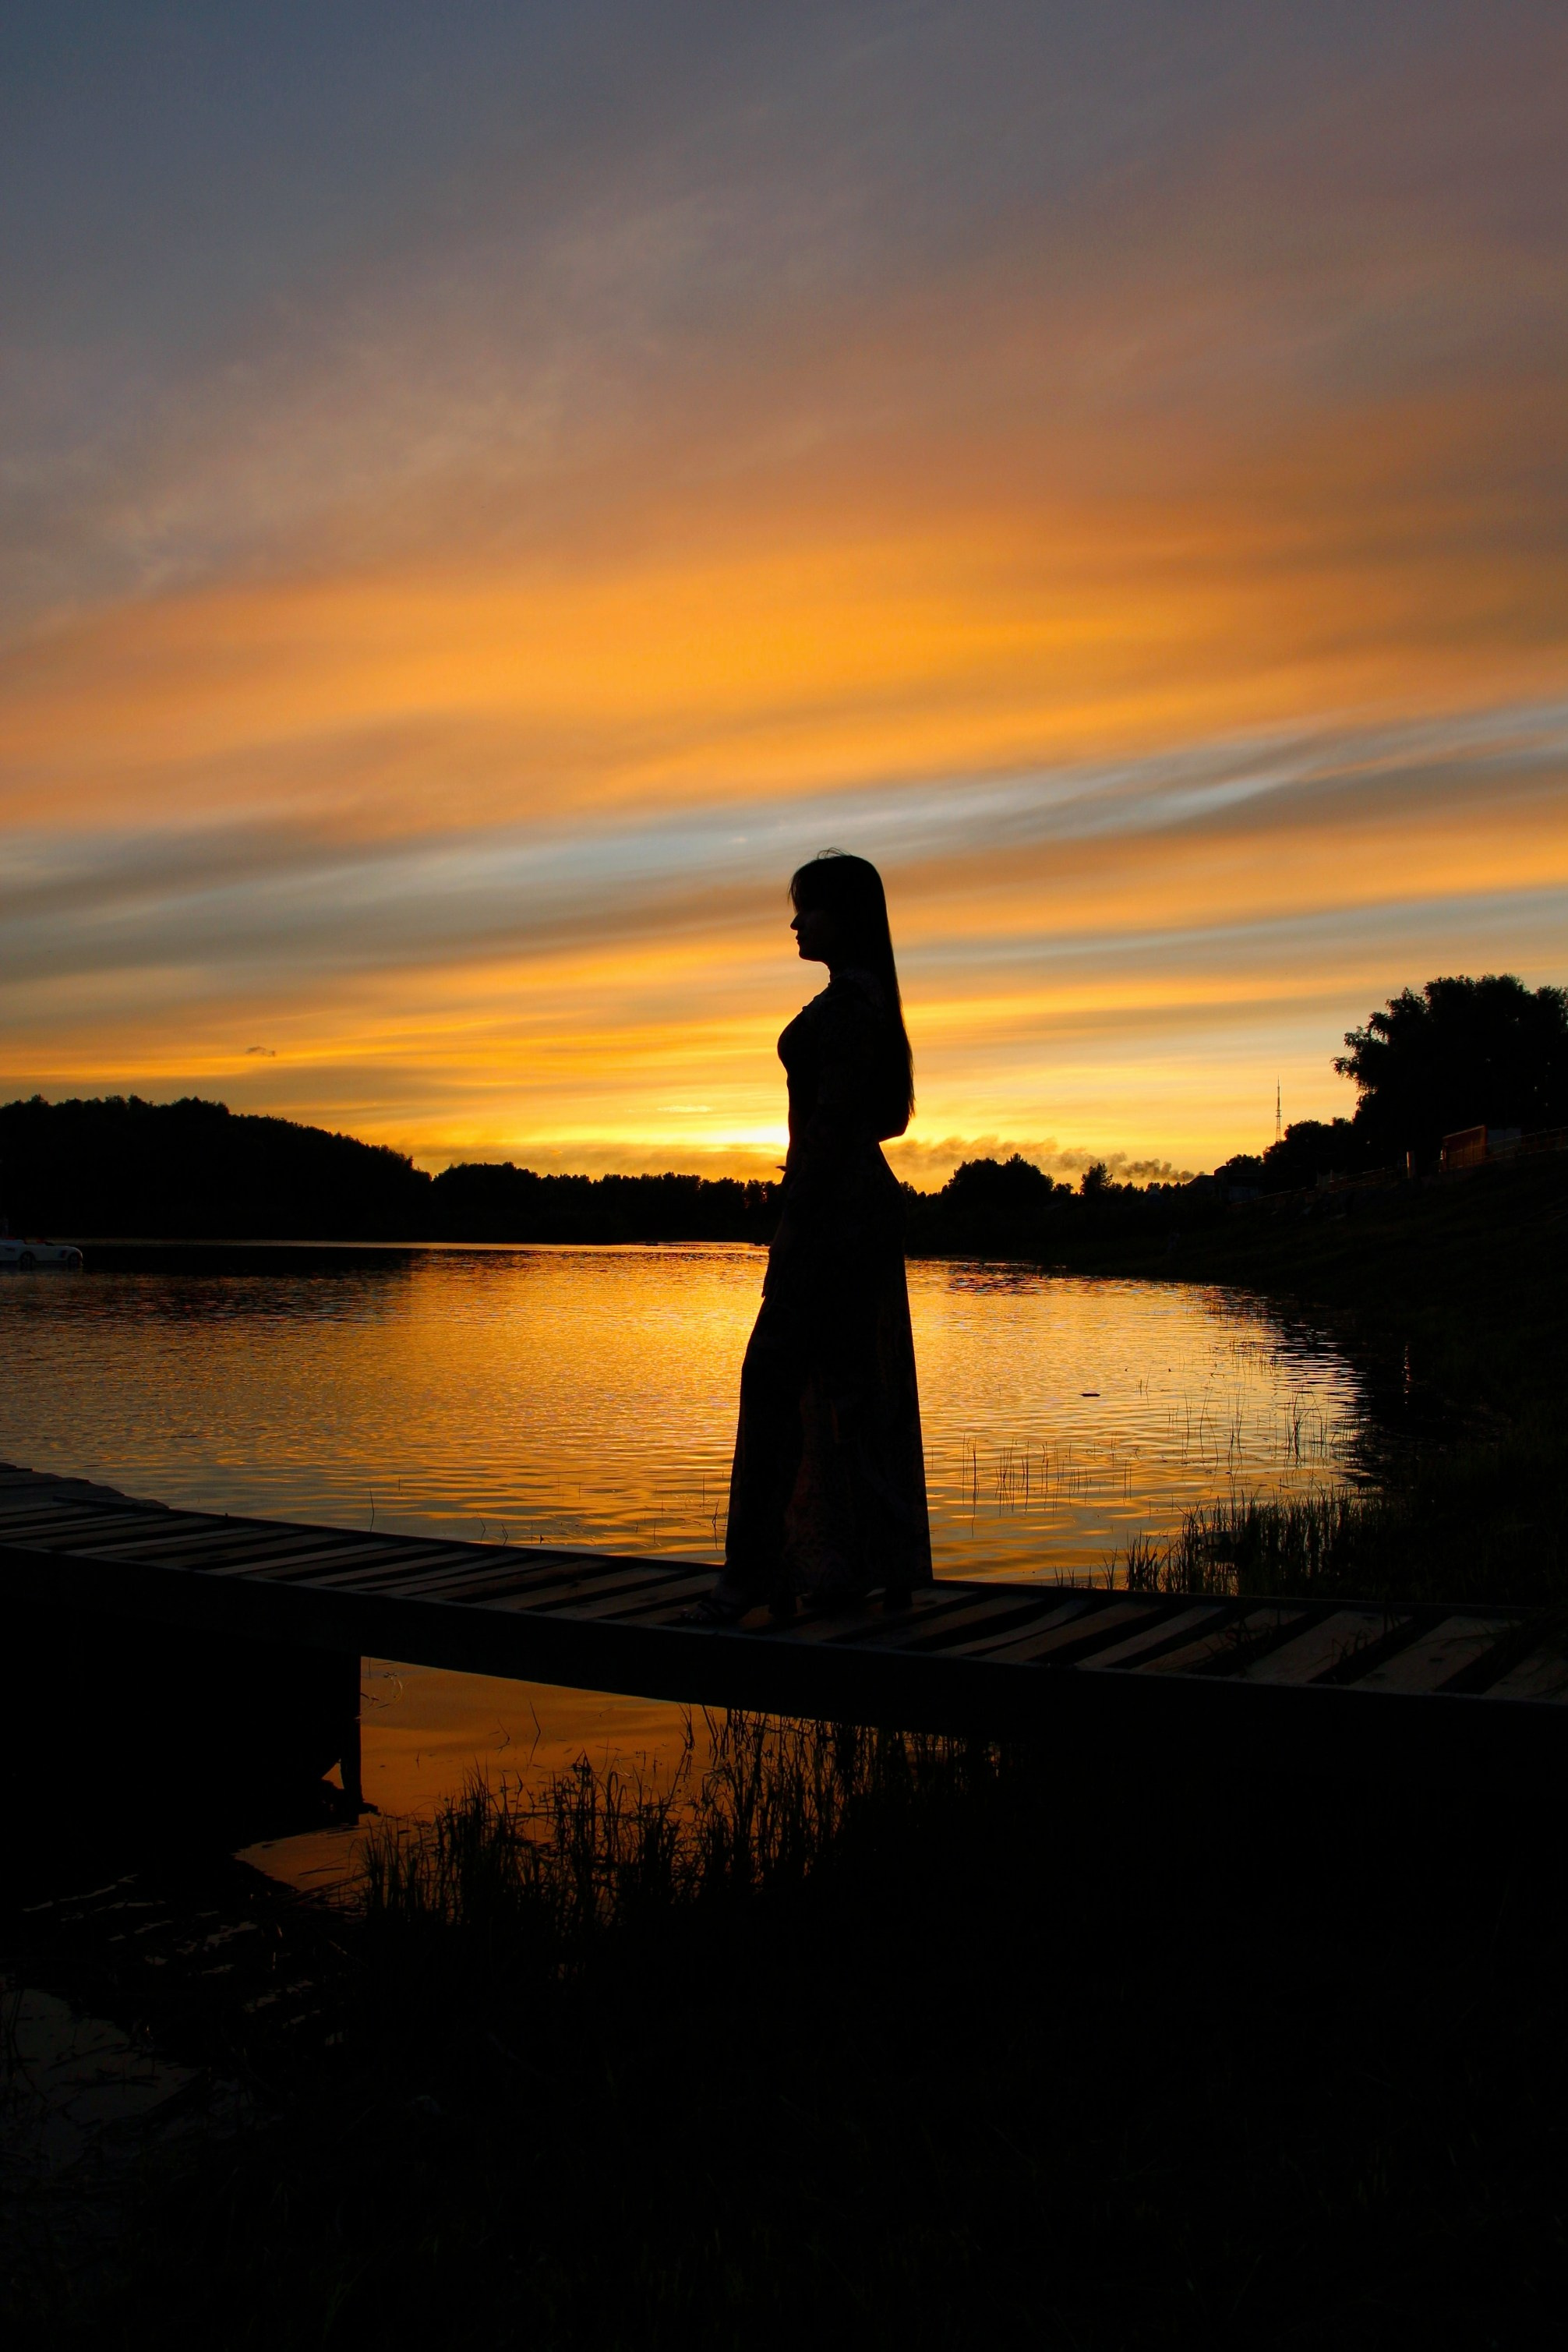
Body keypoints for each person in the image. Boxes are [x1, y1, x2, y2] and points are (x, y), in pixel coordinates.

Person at [687, 851, 933, 1624]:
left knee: (773, 1384)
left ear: (845, 916)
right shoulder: (861, 1002)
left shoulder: (850, 1011)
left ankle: (751, 1576)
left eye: (808, 908)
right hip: (857, 1209)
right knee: (855, 1395)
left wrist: (792, 1222)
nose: (795, 922)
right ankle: (859, 1567)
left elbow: (830, 1131)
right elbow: (881, 1118)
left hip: (834, 1215)